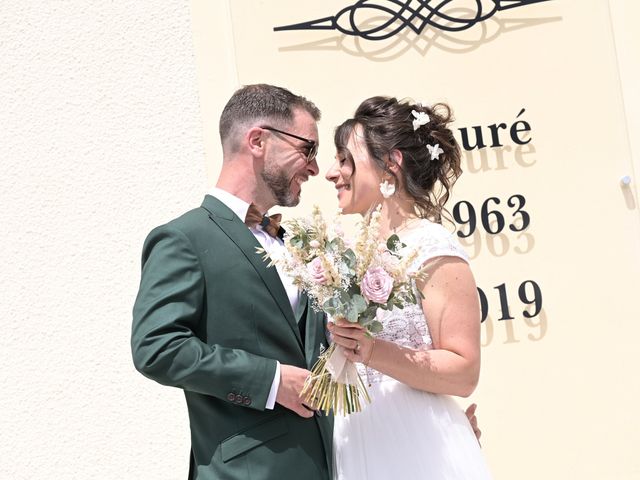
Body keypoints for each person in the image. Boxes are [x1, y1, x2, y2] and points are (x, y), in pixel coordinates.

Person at [131, 84, 333, 480]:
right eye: (307, 149)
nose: (313, 167)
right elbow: (156, 347)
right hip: (247, 471)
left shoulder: (295, 243)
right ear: (258, 140)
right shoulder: (184, 238)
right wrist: (272, 381)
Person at [325, 96, 493, 479]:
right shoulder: (354, 254)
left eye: (345, 159)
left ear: (390, 165)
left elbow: (463, 371)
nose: (332, 173)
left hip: (416, 447)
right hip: (355, 440)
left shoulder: (432, 247)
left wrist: (372, 350)